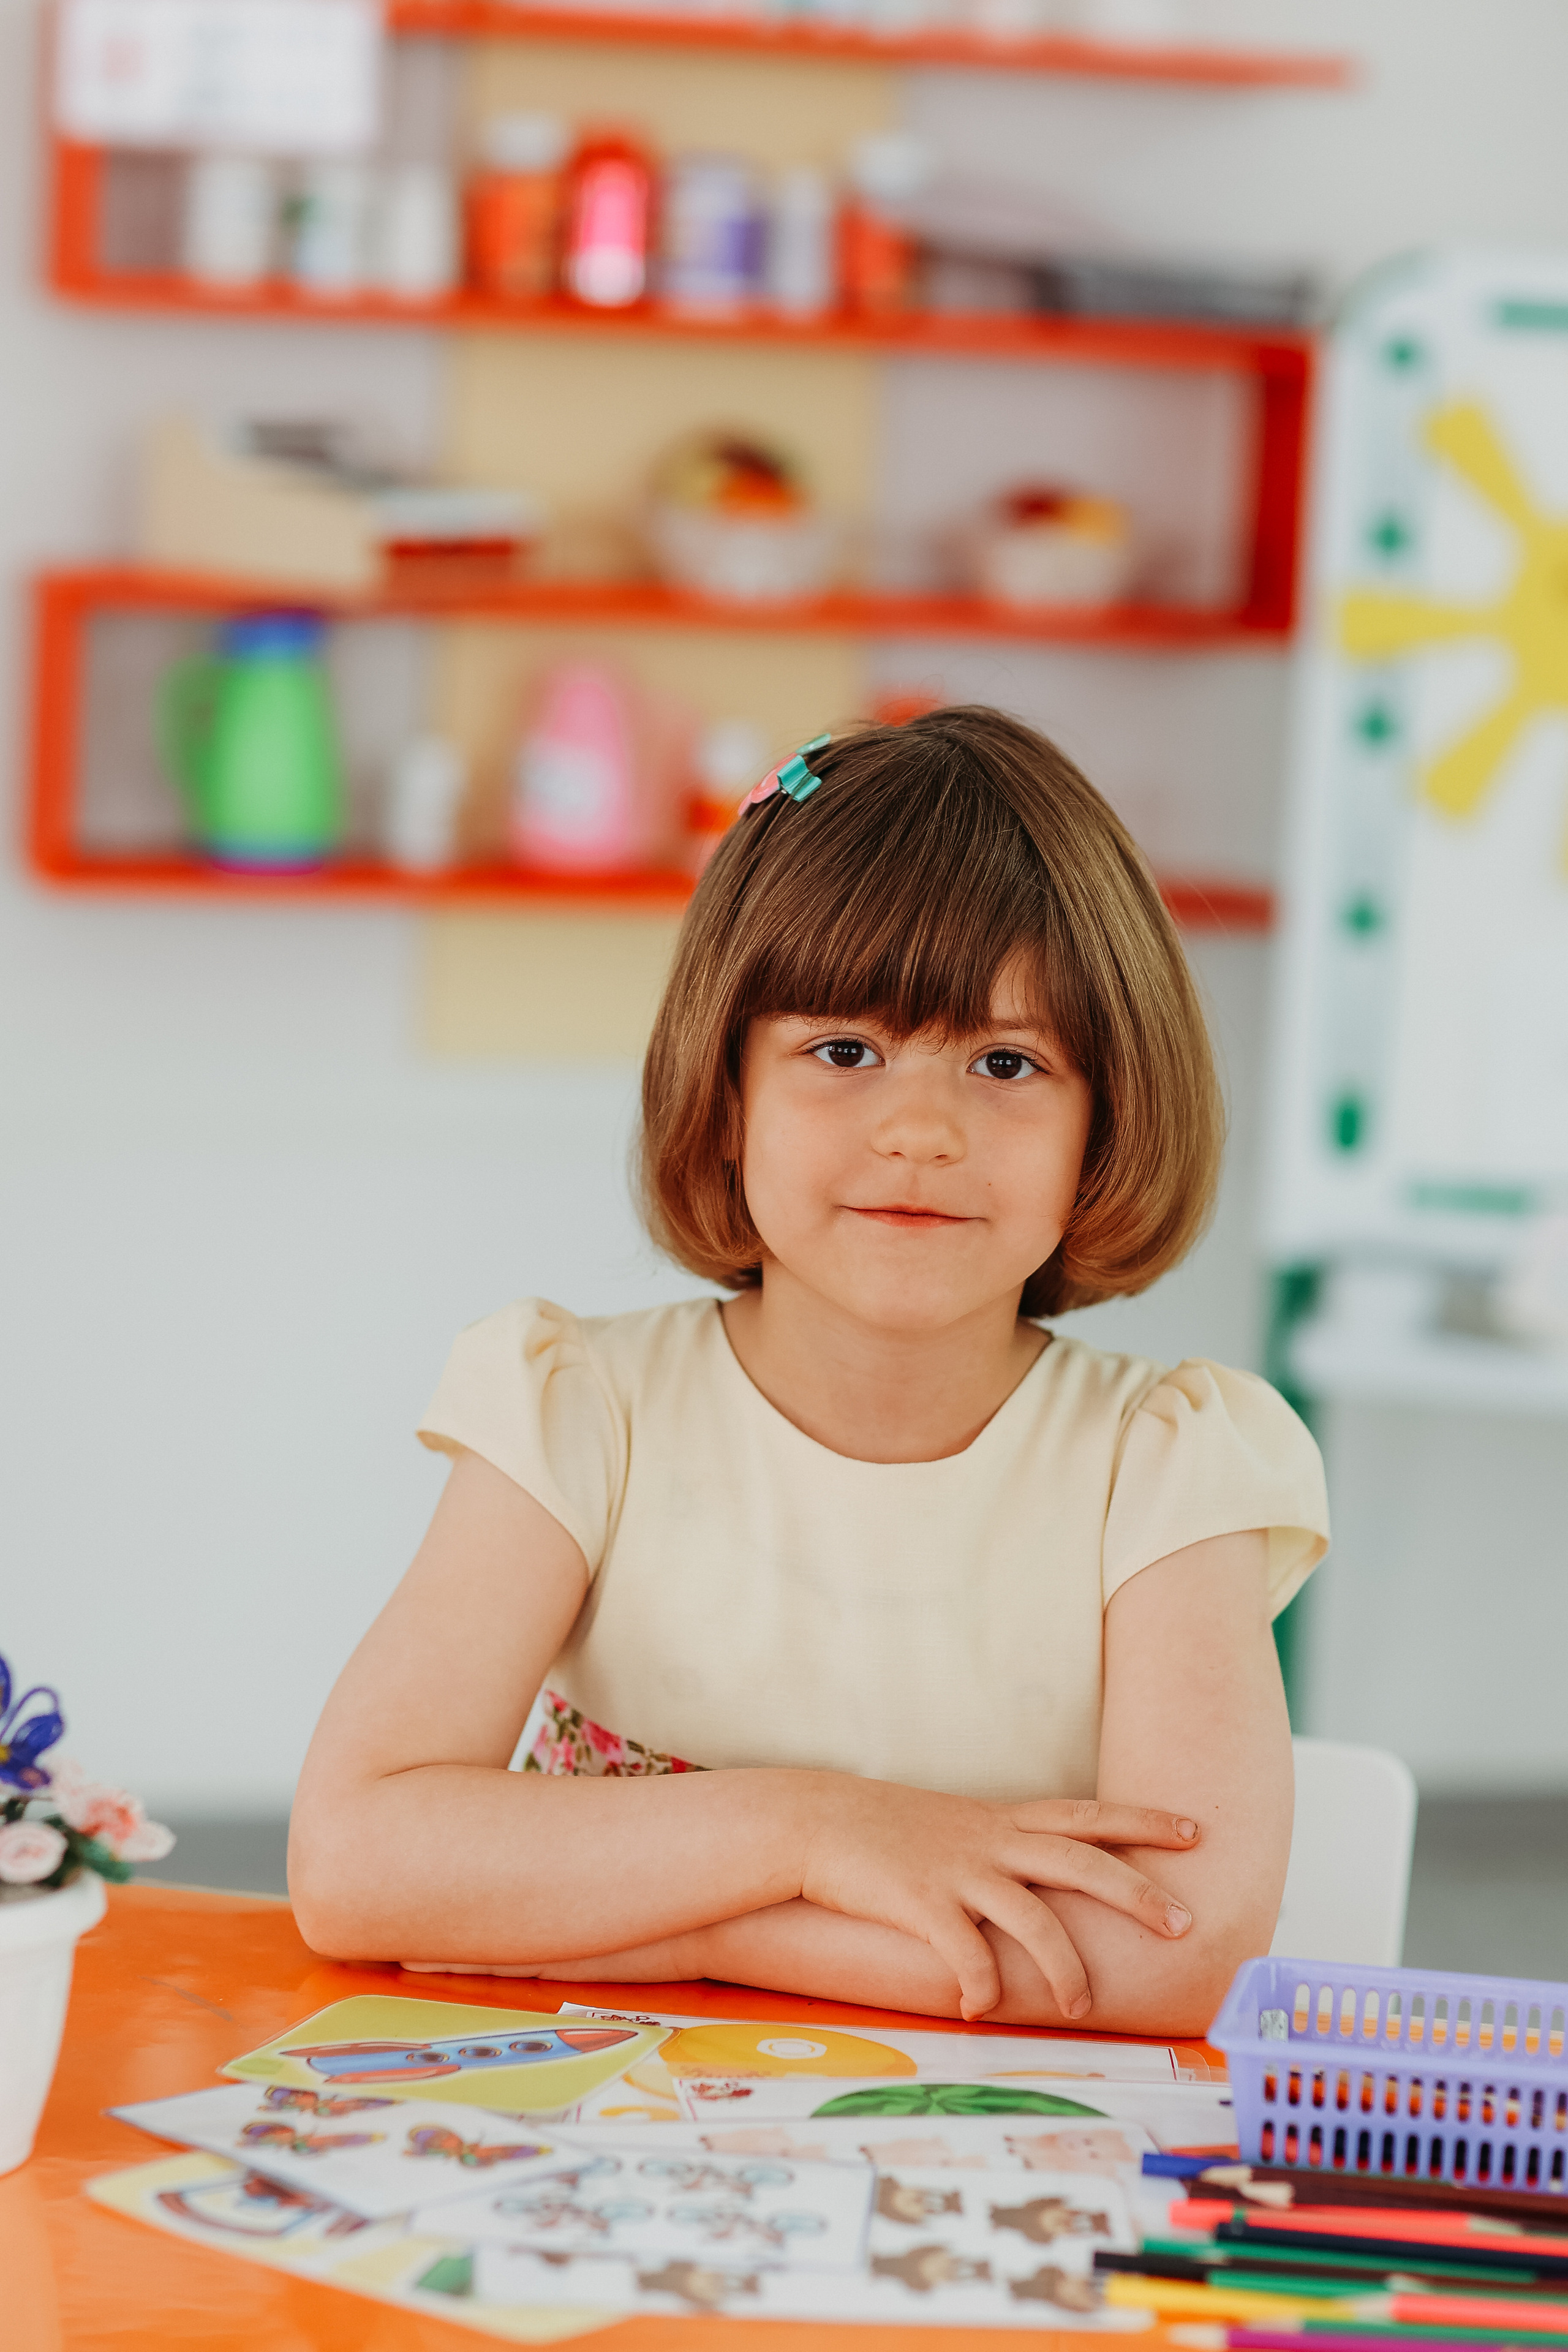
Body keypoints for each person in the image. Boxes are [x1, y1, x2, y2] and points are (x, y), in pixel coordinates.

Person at [289, 707, 1328, 2035]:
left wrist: (696, 1929)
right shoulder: (577, 1411)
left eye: (1006, 1062)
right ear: (725, 1094)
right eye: (844, 1052)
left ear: (1104, 1125)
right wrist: (810, 1831)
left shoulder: (1173, 1464)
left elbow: (1177, 1959)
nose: (920, 1129)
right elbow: (353, 1862)